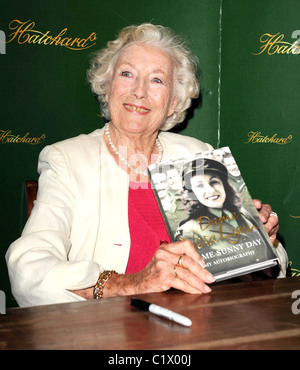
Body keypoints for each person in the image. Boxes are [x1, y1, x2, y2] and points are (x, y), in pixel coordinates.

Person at [6, 23, 284, 307]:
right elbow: (29, 270)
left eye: (156, 80)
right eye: (127, 74)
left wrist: (261, 242)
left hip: (200, 324)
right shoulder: (68, 159)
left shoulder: (197, 156)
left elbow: (258, 269)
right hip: (110, 332)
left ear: (174, 102)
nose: (139, 92)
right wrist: (131, 283)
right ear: (107, 85)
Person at [175, 158, 277, 270]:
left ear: (224, 185)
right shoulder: (188, 231)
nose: (210, 190)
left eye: (214, 182)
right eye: (199, 186)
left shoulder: (243, 213)